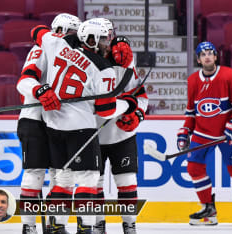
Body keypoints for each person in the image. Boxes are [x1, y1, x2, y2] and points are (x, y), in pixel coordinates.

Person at [30, 18, 138, 234]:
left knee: (63, 178)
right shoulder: (103, 68)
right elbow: (105, 111)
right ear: (92, 39)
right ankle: (86, 227)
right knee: (88, 179)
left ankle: (56, 227)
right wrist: (128, 105)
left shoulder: (58, 44)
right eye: (105, 39)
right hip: (82, 128)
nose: (108, 43)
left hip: (53, 125)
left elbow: (37, 31)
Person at [176, 41, 232, 226]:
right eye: (203, 54)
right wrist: (185, 131)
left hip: (227, 133)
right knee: (194, 168)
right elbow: (191, 112)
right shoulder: (192, 81)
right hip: (202, 132)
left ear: (215, 56)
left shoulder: (229, 75)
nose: (207, 56)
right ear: (198, 59)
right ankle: (208, 210)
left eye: (210, 53)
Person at [16, 13, 81, 234]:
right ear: (60, 31)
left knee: (64, 174)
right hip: (34, 119)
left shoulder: (75, 56)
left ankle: (57, 225)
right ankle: (29, 227)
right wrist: (40, 90)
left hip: (59, 121)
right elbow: (24, 81)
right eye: (72, 33)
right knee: (34, 173)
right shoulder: (41, 48)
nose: (75, 38)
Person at [92, 18, 148, 234]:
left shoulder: (126, 61)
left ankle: (129, 224)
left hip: (121, 135)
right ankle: (97, 223)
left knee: (127, 181)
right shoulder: (85, 61)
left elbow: (141, 97)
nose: (107, 41)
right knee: (93, 183)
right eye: (102, 37)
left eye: (109, 36)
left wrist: (137, 116)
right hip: (92, 134)